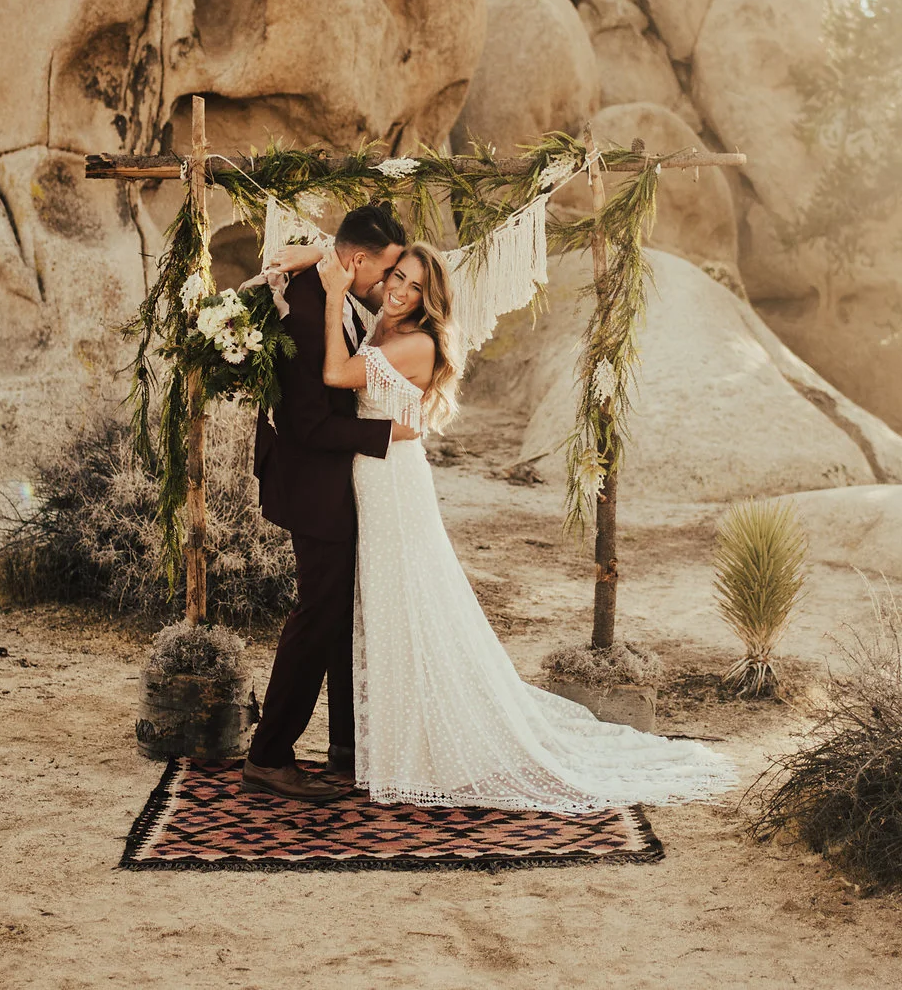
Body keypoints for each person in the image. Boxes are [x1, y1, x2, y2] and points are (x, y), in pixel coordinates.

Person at [290, 236, 737, 813]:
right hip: (371, 478)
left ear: (431, 299)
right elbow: (355, 265)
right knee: (382, 605)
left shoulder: (417, 343)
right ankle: (386, 738)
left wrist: (329, 296)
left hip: (394, 486)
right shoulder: (385, 324)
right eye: (396, 276)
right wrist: (318, 258)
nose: (398, 289)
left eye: (413, 286)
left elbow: (333, 374)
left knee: (409, 604)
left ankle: (423, 742)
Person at [240, 203, 409, 802]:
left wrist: (316, 251)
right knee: (317, 615)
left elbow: (329, 253)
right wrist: (385, 436)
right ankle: (268, 755)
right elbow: (307, 425)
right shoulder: (309, 314)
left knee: (337, 613)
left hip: (333, 480)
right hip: (312, 480)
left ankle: (343, 746)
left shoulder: (328, 282)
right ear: (357, 260)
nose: (389, 285)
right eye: (385, 271)